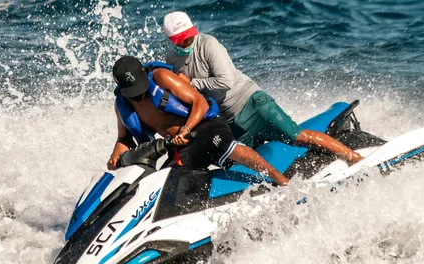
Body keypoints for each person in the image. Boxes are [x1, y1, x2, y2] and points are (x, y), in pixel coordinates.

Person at [162, 11, 364, 164]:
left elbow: (225, 81)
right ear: (172, 41)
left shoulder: (208, 44)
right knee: (237, 163)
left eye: (191, 35)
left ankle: (354, 157)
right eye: (184, 39)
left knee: (297, 136)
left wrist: (193, 83)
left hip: (253, 104)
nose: (190, 40)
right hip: (229, 121)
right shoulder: (171, 60)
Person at [107, 55, 290, 186]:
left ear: (142, 72)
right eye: (133, 92)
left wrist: (186, 128)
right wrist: (115, 157)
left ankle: (280, 179)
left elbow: (199, 102)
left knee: (226, 147)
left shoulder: (160, 77)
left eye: (140, 88)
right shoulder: (122, 105)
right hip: (179, 147)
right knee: (162, 183)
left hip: (204, 127)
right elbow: (124, 139)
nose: (139, 95)